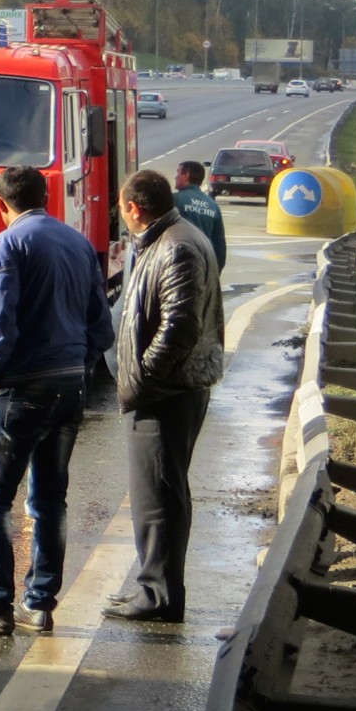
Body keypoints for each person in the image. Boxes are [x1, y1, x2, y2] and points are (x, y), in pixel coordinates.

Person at [0, 167, 113, 636]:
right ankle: (39, 605)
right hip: (70, 384)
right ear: (47, 196)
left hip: (23, 388)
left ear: (0, 204)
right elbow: (102, 325)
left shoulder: (7, 245)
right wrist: (80, 362)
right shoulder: (77, 244)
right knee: (49, 499)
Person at [106, 168, 224, 623]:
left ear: (134, 207)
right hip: (170, 388)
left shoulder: (174, 246)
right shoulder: (168, 239)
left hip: (167, 392)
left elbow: (180, 327)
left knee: (158, 497)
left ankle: (159, 596)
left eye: (121, 206)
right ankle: (155, 588)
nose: (121, 213)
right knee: (160, 492)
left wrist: (144, 377)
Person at [173, 160, 228, 269]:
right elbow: (219, 245)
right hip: (203, 266)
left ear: (186, 175)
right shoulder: (213, 205)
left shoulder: (174, 199)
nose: (175, 177)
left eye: (178, 172)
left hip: (177, 264)